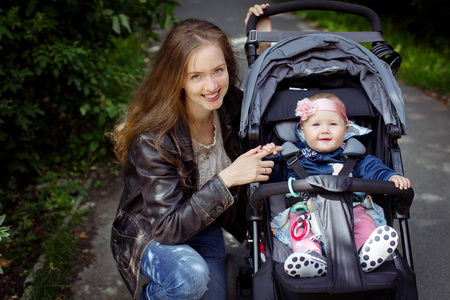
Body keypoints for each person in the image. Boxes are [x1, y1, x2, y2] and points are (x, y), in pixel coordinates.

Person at [110, 5, 277, 300]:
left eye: (218, 70)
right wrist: (228, 178)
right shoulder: (155, 139)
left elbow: (268, 100)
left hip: (202, 226)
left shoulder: (231, 106)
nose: (212, 85)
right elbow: (167, 228)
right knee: (190, 280)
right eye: (196, 76)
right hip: (153, 234)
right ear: (177, 80)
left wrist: (263, 47)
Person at [263, 92, 411, 278]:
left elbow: (374, 169)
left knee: (364, 221)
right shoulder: (292, 156)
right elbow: (275, 176)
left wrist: (390, 176)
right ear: (302, 129)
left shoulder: (353, 154)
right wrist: (270, 159)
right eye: (316, 124)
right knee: (299, 229)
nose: (325, 130)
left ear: (345, 127)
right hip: (305, 212)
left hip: (350, 210)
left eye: (333, 124)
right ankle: (310, 256)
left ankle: (365, 251)